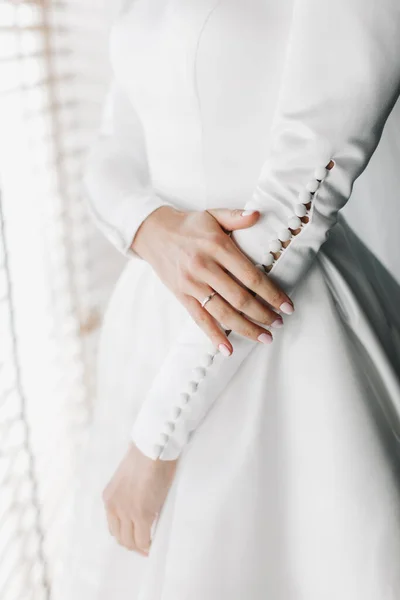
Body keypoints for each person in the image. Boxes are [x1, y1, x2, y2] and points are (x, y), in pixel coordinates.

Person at [57, 0, 400, 598]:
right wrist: (150, 227)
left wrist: (157, 437)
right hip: (149, 319)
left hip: (284, 326)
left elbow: (306, 185)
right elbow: (112, 148)